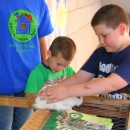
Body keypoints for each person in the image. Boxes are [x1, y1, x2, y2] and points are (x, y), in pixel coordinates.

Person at [39, 4, 130, 130]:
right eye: (98, 37)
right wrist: (54, 89)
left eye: (104, 35)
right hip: (105, 115)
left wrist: (67, 91)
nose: (100, 41)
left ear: (121, 29)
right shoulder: (101, 52)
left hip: (126, 120)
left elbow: (110, 84)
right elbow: (80, 77)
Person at [0, 0, 53, 130]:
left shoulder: (39, 3)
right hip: (4, 80)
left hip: (31, 80)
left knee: (26, 127)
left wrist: (45, 72)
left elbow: (42, 40)